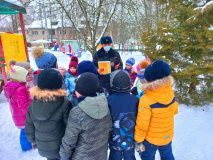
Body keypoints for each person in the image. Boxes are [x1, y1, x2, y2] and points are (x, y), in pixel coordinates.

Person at [60, 72, 112, 160]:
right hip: (101, 155)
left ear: (79, 92)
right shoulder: (105, 104)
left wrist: (64, 156)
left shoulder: (77, 113)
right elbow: (109, 129)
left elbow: (69, 141)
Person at [134, 59, 179, 160]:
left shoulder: (146, 99)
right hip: (167, 135)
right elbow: (175, 110)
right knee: (167, 156)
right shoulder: (169, 91)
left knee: (147, 157)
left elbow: (142, 124)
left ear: (148, 80)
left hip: (151, 140)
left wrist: (138, 139)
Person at [25, 69, 72, 160]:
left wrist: (32, 140)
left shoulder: (33, 104)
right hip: (60, 146)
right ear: (58, 84)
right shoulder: (64, 103)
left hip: (43, 146)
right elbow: (69, 127)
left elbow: (29, 124)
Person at [107, 70, 139, 160]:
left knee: (114, 157)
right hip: (130, 139)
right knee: (130, 156)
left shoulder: (108, 100)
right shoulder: (135, 100)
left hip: (114, 140)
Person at [3, 65, 33, 151]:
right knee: (25, 132)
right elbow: (23, 105)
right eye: (26, 75)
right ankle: (26, 148)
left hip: (18, 115)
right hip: (23, 116)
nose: (28, 76)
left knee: (25, 131)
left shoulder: (13, 86)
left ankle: (28, 145)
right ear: (21, 77)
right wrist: (32, 101)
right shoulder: (20, 89)